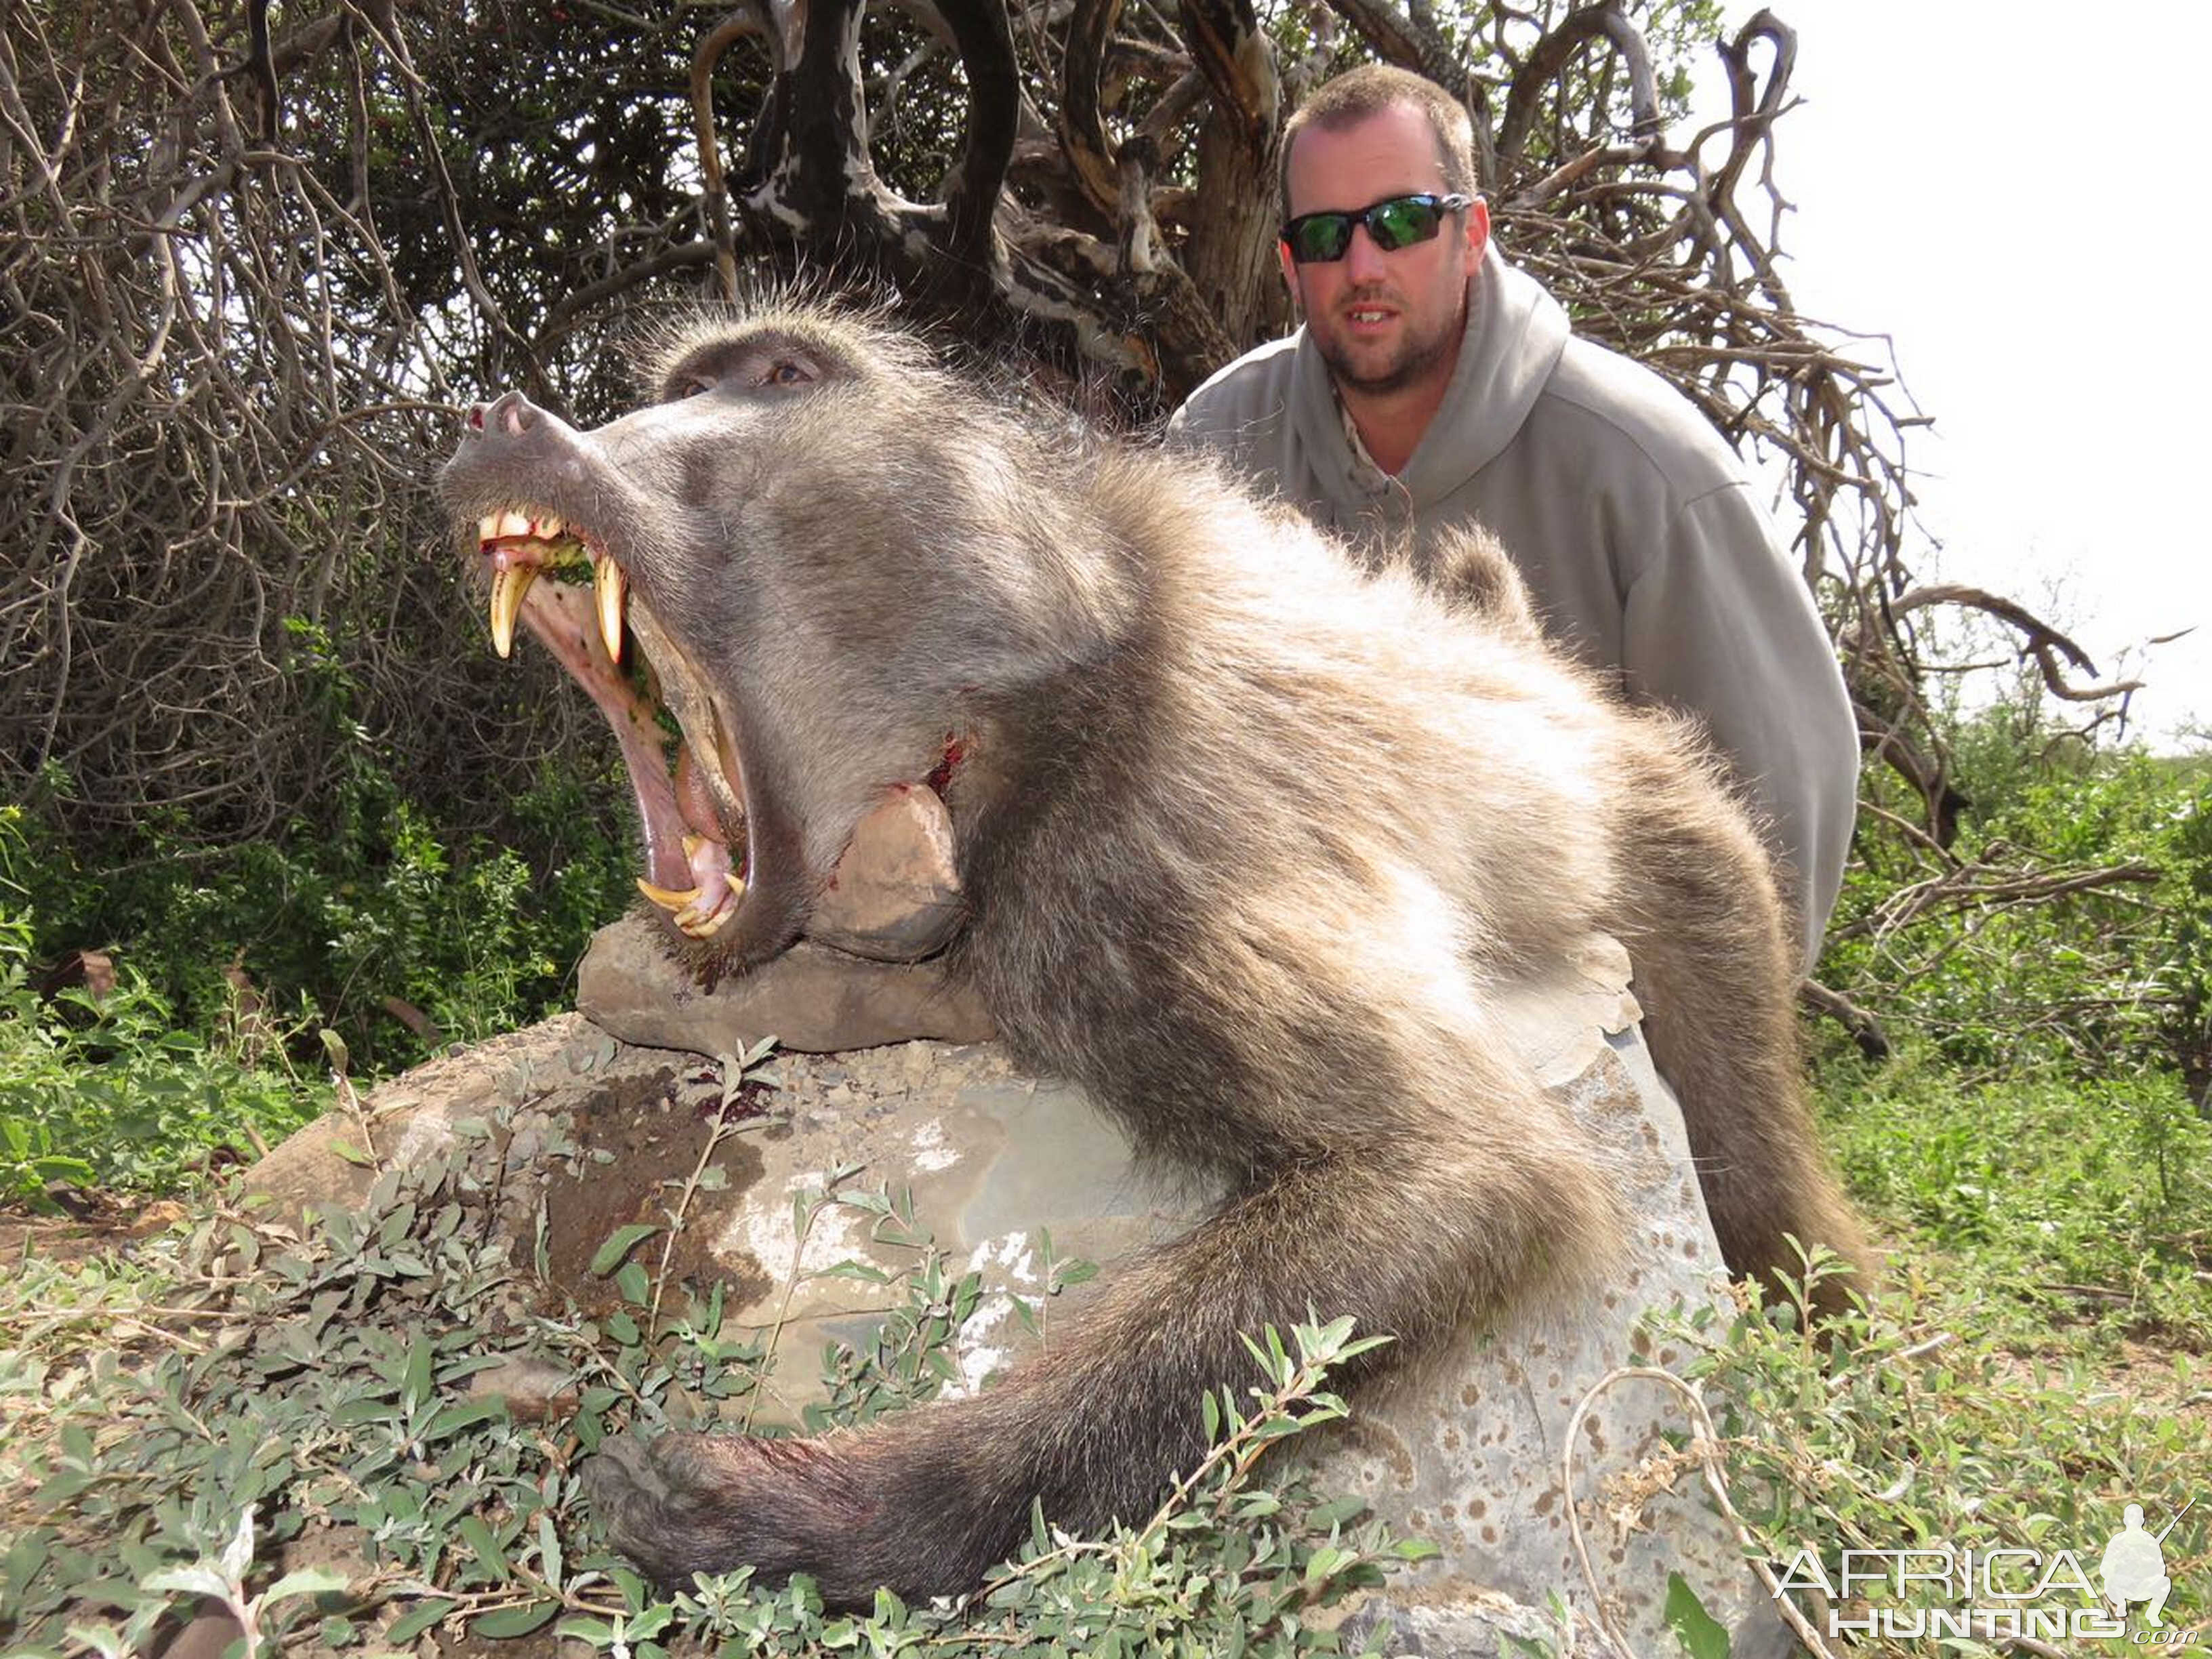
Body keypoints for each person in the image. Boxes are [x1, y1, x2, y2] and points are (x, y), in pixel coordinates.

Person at [1169, 64, 1860, 972]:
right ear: (1291, 264)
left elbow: (1785, 798)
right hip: (1324, 1000)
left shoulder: (1646, 465)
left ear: (1471, 233)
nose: (1364, 265)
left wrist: (1660, 1051)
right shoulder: (1215, 452)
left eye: (1404, 221)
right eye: (1328, 236)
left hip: (1593, 1007)